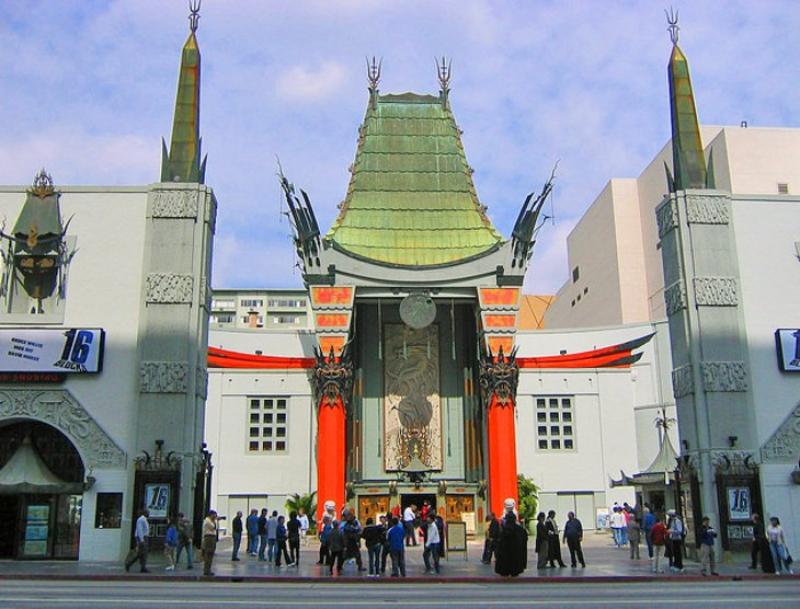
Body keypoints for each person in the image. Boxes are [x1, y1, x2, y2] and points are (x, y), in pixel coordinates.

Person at [495, 512, 528, 577]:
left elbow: (499, 542)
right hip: (516, 557)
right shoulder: (519, 529)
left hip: (506, 558)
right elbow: (524, 540)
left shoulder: (504, 530)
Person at [201, 510, 218, 577]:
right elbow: (213, 527)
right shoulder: (207, 521)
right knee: (208, 553)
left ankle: (208, 569)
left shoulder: (210, 520)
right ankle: (206, 570)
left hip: (212, 537)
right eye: (214, 515)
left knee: (211, 554)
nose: (215, 516)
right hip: (209, 537)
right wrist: (214, 521)